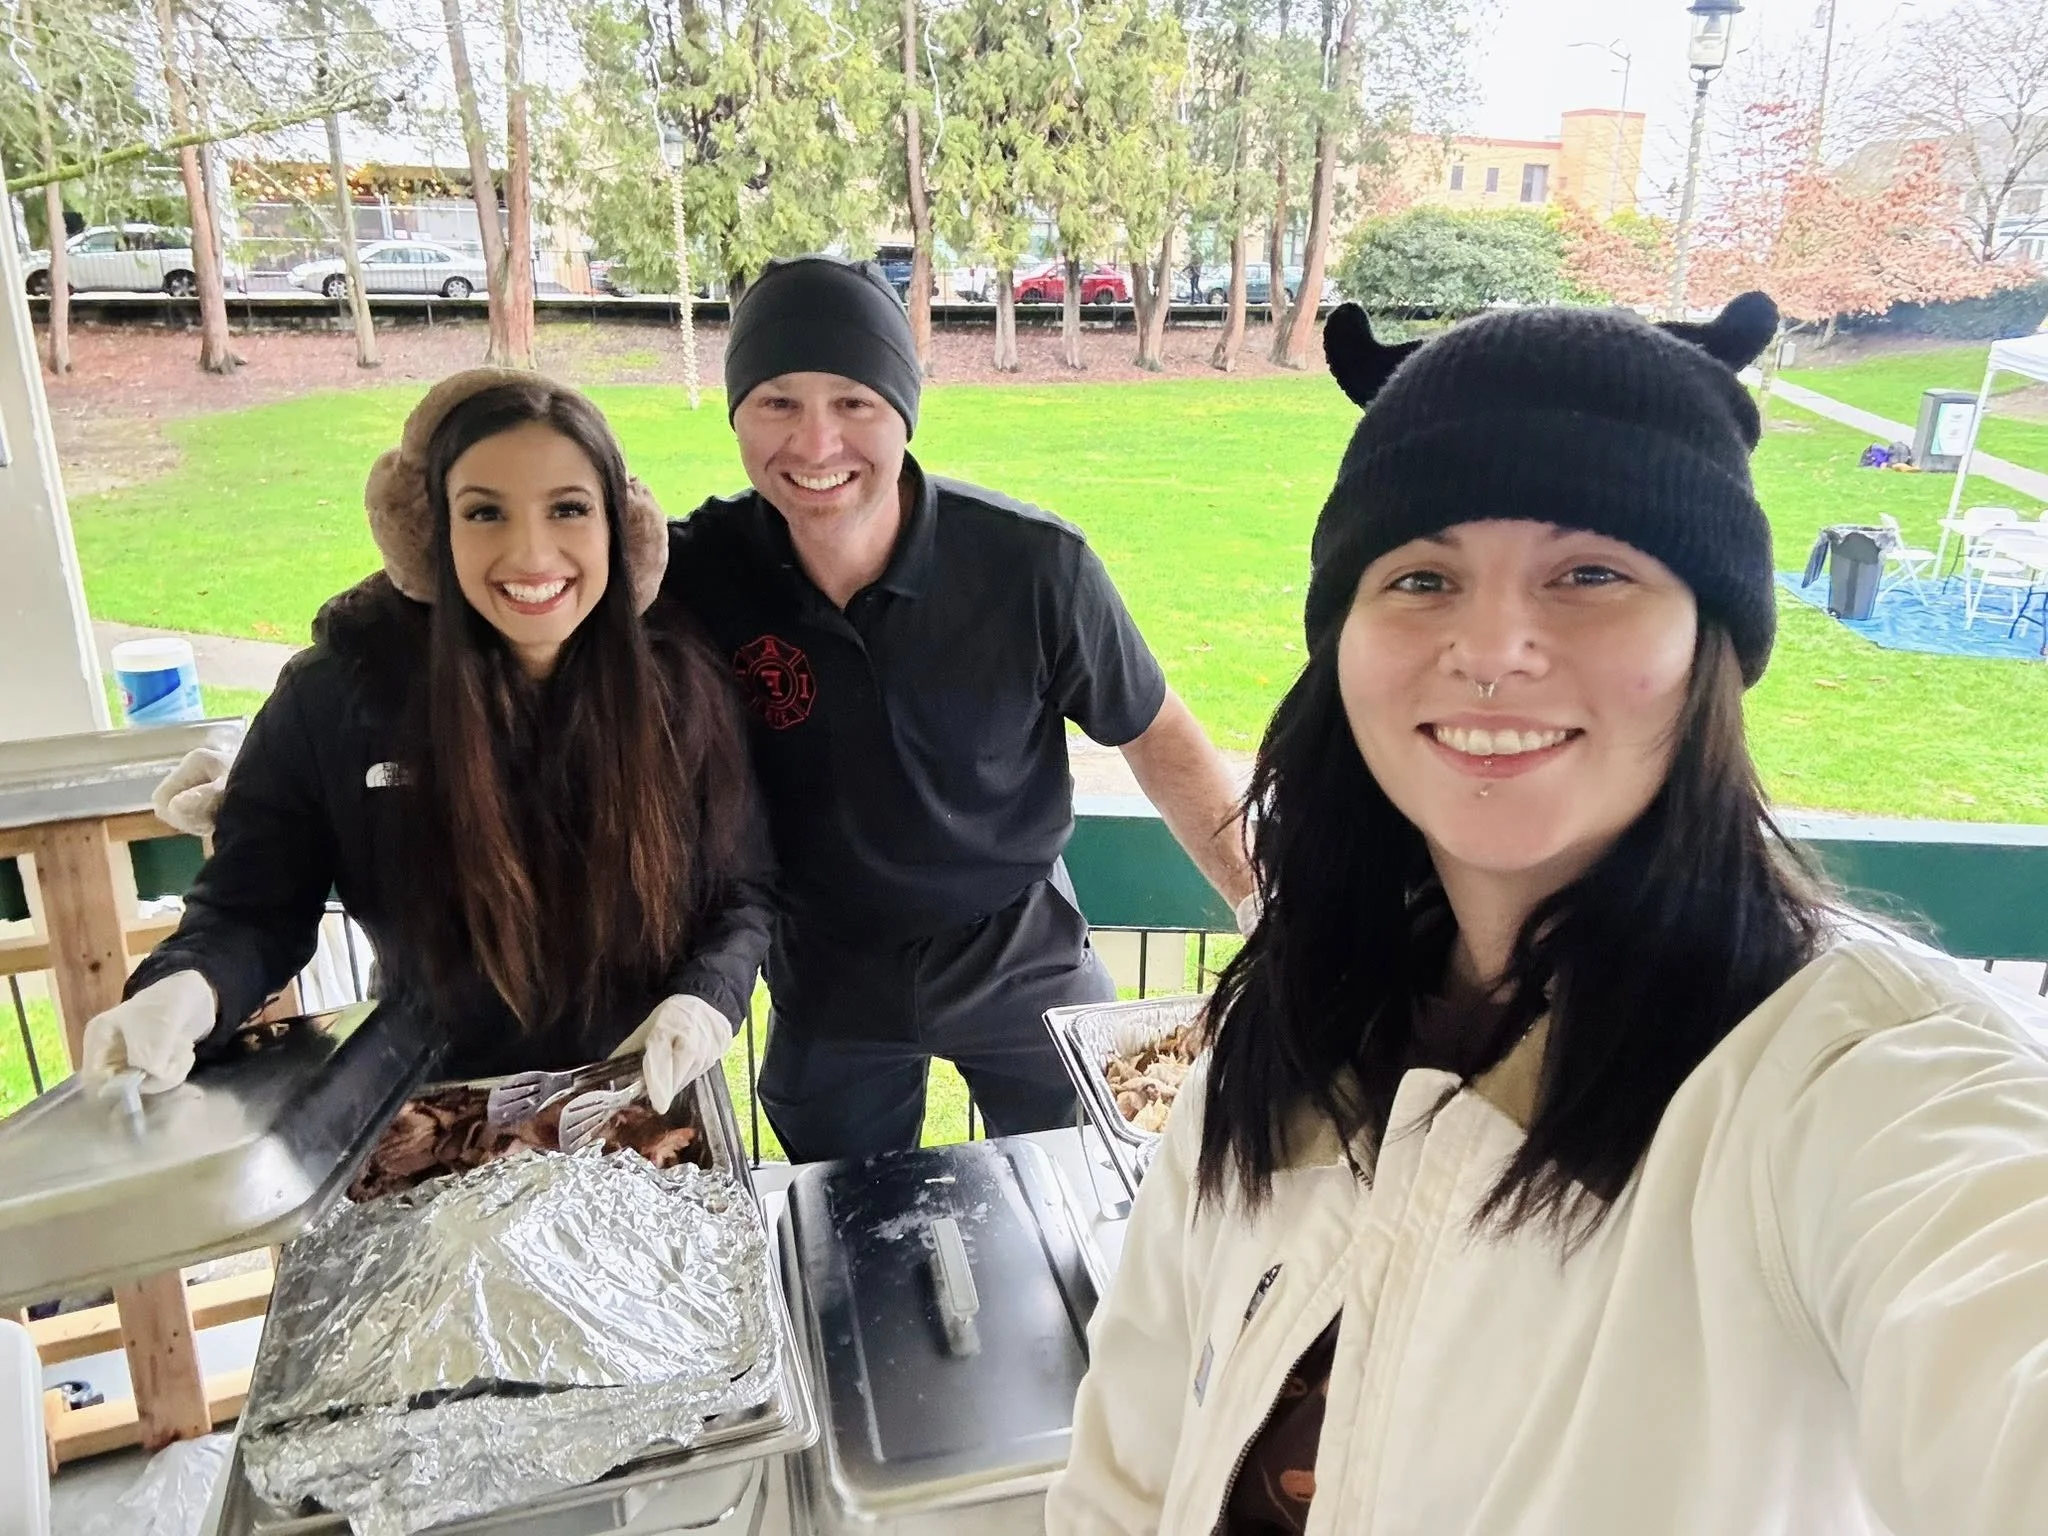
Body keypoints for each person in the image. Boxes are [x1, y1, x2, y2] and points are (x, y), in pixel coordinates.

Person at [1047, 295, 2048, 1535]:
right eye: (1421, 575)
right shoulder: (1286, 1038)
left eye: (1589, 573)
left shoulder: (1854, 1078)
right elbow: (1126, 1470)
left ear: (1710, 643)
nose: (1492, 646)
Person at [665, 255, 1254, 1163]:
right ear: (737, 411)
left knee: (1097, 1175)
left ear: (902, 407)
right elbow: (548, 599)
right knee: (843, 1209)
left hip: (1017, 946)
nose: (817, 446)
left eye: (854, 403)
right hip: (823, 963)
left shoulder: (1034, 568)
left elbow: (1156, 731)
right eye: (778, 402)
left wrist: (1259, 903)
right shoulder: (696, 573)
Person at [81, 371, 770, 1110]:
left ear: (618, 526)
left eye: (568, 509)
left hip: (643, 1097)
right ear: (429, 531)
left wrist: (705, 1000)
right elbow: (252, 910)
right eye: (484, 514)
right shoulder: (336, 697)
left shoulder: (680, 689)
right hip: (423, 1105)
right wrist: (186, 988)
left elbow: (741, 888)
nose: (533, 554)